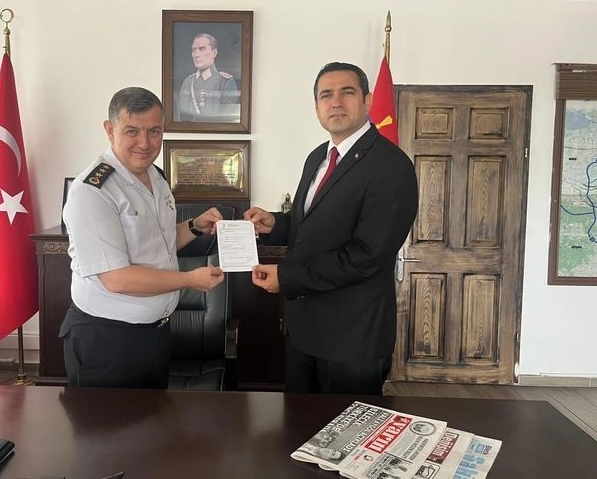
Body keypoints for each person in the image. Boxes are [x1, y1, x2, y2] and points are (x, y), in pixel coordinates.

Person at [245, 62, 418, 395]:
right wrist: (275, 224)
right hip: (303, 331)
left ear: (368, 101)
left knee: (347, 427)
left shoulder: (391, 166)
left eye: (347, 92)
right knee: (298, 423)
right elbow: (310, 224)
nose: (335, 102)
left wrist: (287, 278)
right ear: (316, 107)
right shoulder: (317, 158)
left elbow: (366, 257)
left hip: (352, 338)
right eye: (326, 95)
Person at [59, 86, 224, 388]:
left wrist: (194, 226)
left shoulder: (156, 177)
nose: (145, 143)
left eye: (154, 131)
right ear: (110, 130)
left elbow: (157, 245)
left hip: (155, 335)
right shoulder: (93, 191)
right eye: (132, 131)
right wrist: (190, 280)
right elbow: (117, 278)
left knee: (154, 418)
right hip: (107, 341)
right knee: (105, 421)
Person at [177, 33, 239, 122]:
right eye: (193, 50)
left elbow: (227, 120)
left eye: (202, 49)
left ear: (214, 53)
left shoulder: (225, 82)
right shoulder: (188, 81)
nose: (196, 55)